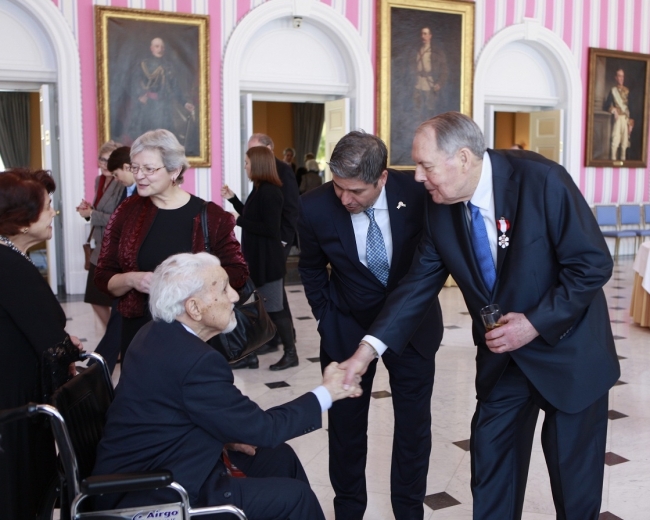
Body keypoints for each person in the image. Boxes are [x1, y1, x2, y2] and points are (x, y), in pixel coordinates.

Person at [342, 112, 621, 520]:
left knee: (574, 488)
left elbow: (592, 265)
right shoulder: (441, 208)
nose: (418, 177)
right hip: (504, 360)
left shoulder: (542, 180)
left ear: (464, 158)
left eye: (426, 166)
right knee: (491, 470)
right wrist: (366, 352)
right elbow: (415, 287)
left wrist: (534, 322)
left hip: (570, 354)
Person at [92, 252, 362, 519]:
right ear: (194, 308)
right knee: (295, 498)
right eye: (223, 289)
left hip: (162, 462)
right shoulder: (195, 361)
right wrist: (327, 392)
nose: (235, 296)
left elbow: (167, 412)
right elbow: (265, 429)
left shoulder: (154, 333)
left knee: (280, 457)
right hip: (157, 491)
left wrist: (227, 436)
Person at [298, 131, 443, 520]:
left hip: (413, 330)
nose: (344, 198)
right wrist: (326, 320)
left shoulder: (418, 194)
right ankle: (348, 513)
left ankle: (409, 513)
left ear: (381, 178)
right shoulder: (313, 207)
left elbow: (434, 261)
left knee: (413, 431)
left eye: (356, 191)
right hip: (346, 329)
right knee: (346, 434)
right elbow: (310, 270)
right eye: (338, 187)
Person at [95, 129, 248, 361]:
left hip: (198, 339)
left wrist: (187, 282)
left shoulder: (211, 216)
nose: (139, 176)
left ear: (174, 171)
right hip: (140, 338)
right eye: (135, 168)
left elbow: (237, 273)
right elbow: (103, 277)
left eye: (149, 169)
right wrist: (133, 279)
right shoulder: (125, 213)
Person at [0, 169, 79, 519]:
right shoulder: (8, 264)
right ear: (19, 222)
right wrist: (70, 348)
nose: (53, 213)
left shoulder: (11, 257)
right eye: (47, 207)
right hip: (13, 399)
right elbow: (51, 344)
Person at [221, 146, 297, 371]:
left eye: (247, 162)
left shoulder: (271, 191)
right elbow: (251, 214)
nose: (245, 166)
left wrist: (238, 221)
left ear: (258, 164)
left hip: (268, 260)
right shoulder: (259, 189)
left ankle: (291, 354)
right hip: (258, 258)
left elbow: (270, 228)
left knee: (276, 308)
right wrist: (234, 199)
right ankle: (250, 354)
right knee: (256, 306)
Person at [244, 133, 300, 362]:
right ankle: (271, 341)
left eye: (250, 158)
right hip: (262, 252)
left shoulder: (279, 177)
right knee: (268, 300)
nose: (246, 164)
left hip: (273, 249)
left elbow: (285, 215)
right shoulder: (260, 186)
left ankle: (288, 347)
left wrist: (283, 243)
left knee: (274, 302)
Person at [92, 146, 136, 374]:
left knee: (120, 319)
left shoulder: (142, 192)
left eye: (118, 174)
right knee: (120, 320)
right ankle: (99, 368)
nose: (117, 179)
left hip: (135, 269)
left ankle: (97, 369)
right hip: (124, 268)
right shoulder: (126, 189)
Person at [76, 140, 122, 327]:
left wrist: (92, 214)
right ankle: (111, 337)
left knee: (116, 301)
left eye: (107, 160)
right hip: (99, 246)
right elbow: (100, 210)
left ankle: (115, 342)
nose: (103, 163)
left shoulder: (122, 184)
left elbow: (118, 218)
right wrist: (88, 211)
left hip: (115, 249)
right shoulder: (99, 180)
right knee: (94, 297)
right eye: (100, 159)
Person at [127, 37, 196, 149]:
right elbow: (133, 83)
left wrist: (184, 103)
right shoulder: (143, 64)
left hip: (166, 108)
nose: (160, 49)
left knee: (166, 140)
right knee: (150, 139)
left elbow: (175, 88)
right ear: (151, 48)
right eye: (157, 46)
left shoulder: (168, 66)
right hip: (149, 107)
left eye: (162, 47)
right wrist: (140, 95)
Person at [414, 27, 448, 122]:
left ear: (430, 36)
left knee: (430, 109)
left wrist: (439, 83)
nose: (423, 36)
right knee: (418, 109)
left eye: (425, 34)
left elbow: (444, 70)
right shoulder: (418, 50)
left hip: (430, 84)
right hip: (418, 84)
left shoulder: (436, 52)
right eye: (422, 34)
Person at [604, 68, 633, 161]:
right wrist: (614, 110)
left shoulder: (627, 91)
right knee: (615, 140)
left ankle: (623, 161)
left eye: (622, 76)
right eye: (619, 76)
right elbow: (606, 105)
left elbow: (631, 107)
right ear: (616, 78)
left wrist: (631, 123)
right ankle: (613, 161)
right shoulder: (613, 91)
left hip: (626, 119)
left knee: (625, 142)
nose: (621, 78)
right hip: (617, 119)